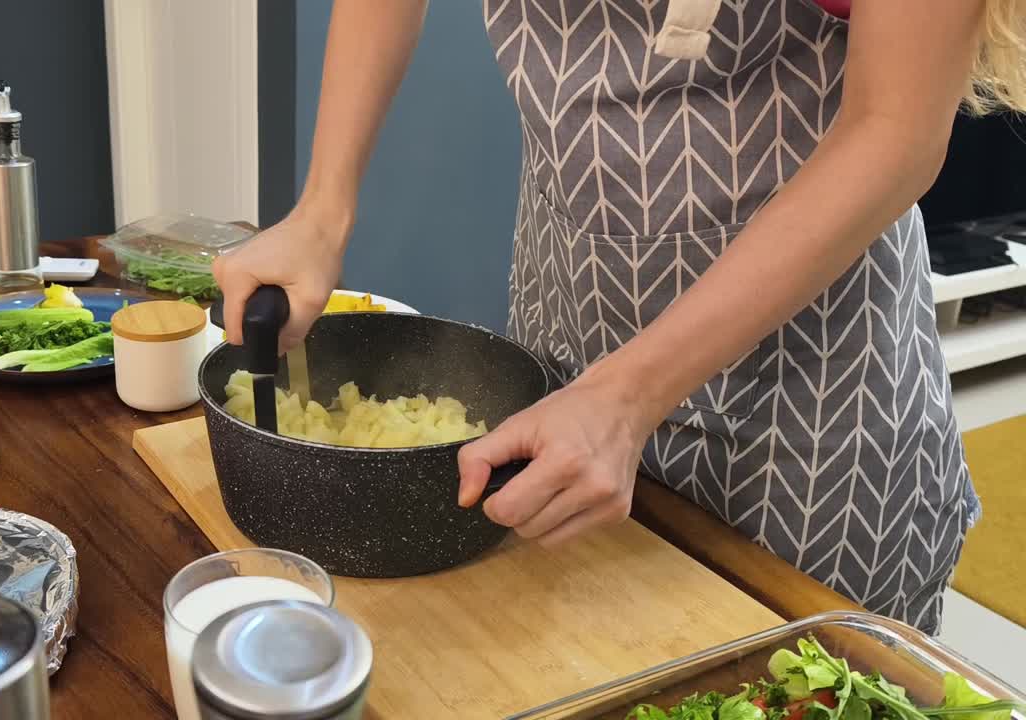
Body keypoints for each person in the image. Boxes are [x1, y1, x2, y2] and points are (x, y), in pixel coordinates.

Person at [213, 0, 1026, 633]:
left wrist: (629, 395)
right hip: (567, 302)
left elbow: (896, 130)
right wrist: (323, 209)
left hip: (806, 383)